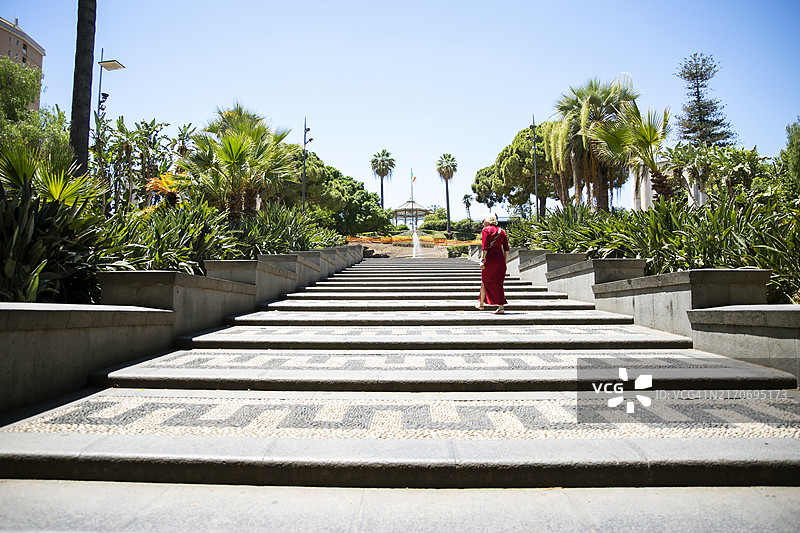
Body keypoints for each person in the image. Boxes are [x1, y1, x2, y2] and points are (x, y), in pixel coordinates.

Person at [477, 213, 509, 314]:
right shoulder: (502, 231)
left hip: (490, 260)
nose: (482, 224)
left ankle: (482, 304)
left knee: (485, 280)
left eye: (483, 221)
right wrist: (505, 262)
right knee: (498, 283)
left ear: (487, 221)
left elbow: (485, 247)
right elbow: (506, 249)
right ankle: (498, 306)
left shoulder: (486, 230)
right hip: (500, 260)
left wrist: (482, 260)